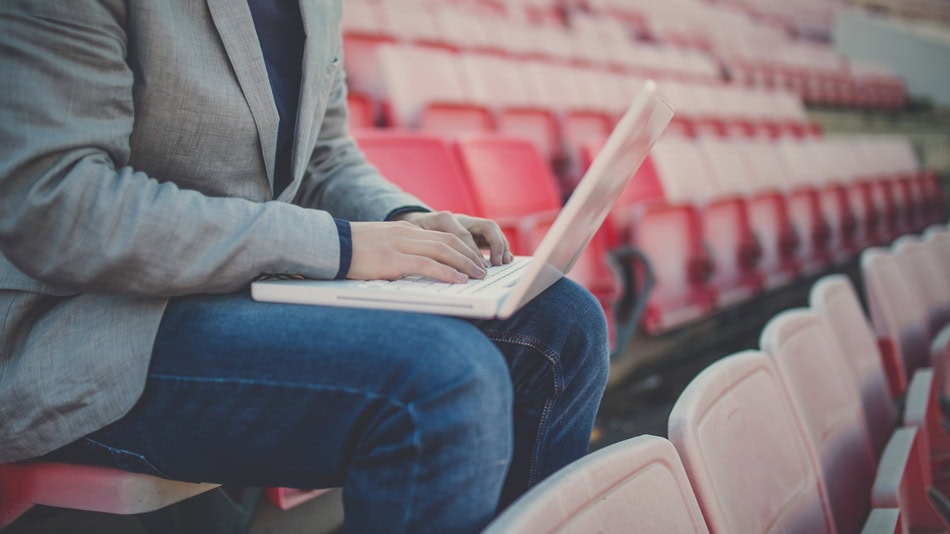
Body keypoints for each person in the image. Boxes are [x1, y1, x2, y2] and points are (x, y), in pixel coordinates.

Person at [0, 1, 609, 532]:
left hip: (236, 288)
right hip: (85, 325)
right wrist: (338, 245)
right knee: (443, 379)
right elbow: (58, 205)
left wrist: (401, 219)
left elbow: (322, 156)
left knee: (561, 323)